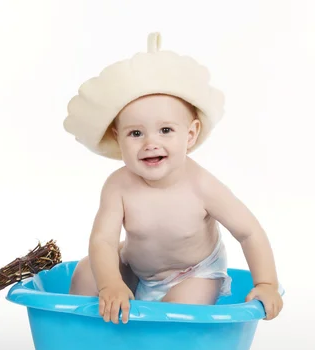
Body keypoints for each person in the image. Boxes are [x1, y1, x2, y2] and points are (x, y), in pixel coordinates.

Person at [63, 32, 283, 324]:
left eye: (165, 130)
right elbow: (103, 240)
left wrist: (266, 283)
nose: (150, 143)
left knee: (180, 312)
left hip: (194, 274)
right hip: (137, 267)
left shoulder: (201, 185)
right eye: (136, 133)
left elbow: (249, 232)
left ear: (190, 135)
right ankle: (85, 334)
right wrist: (109, 284)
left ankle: (159, 345)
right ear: (119, 138)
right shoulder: (118, 185)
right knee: (86, 272)